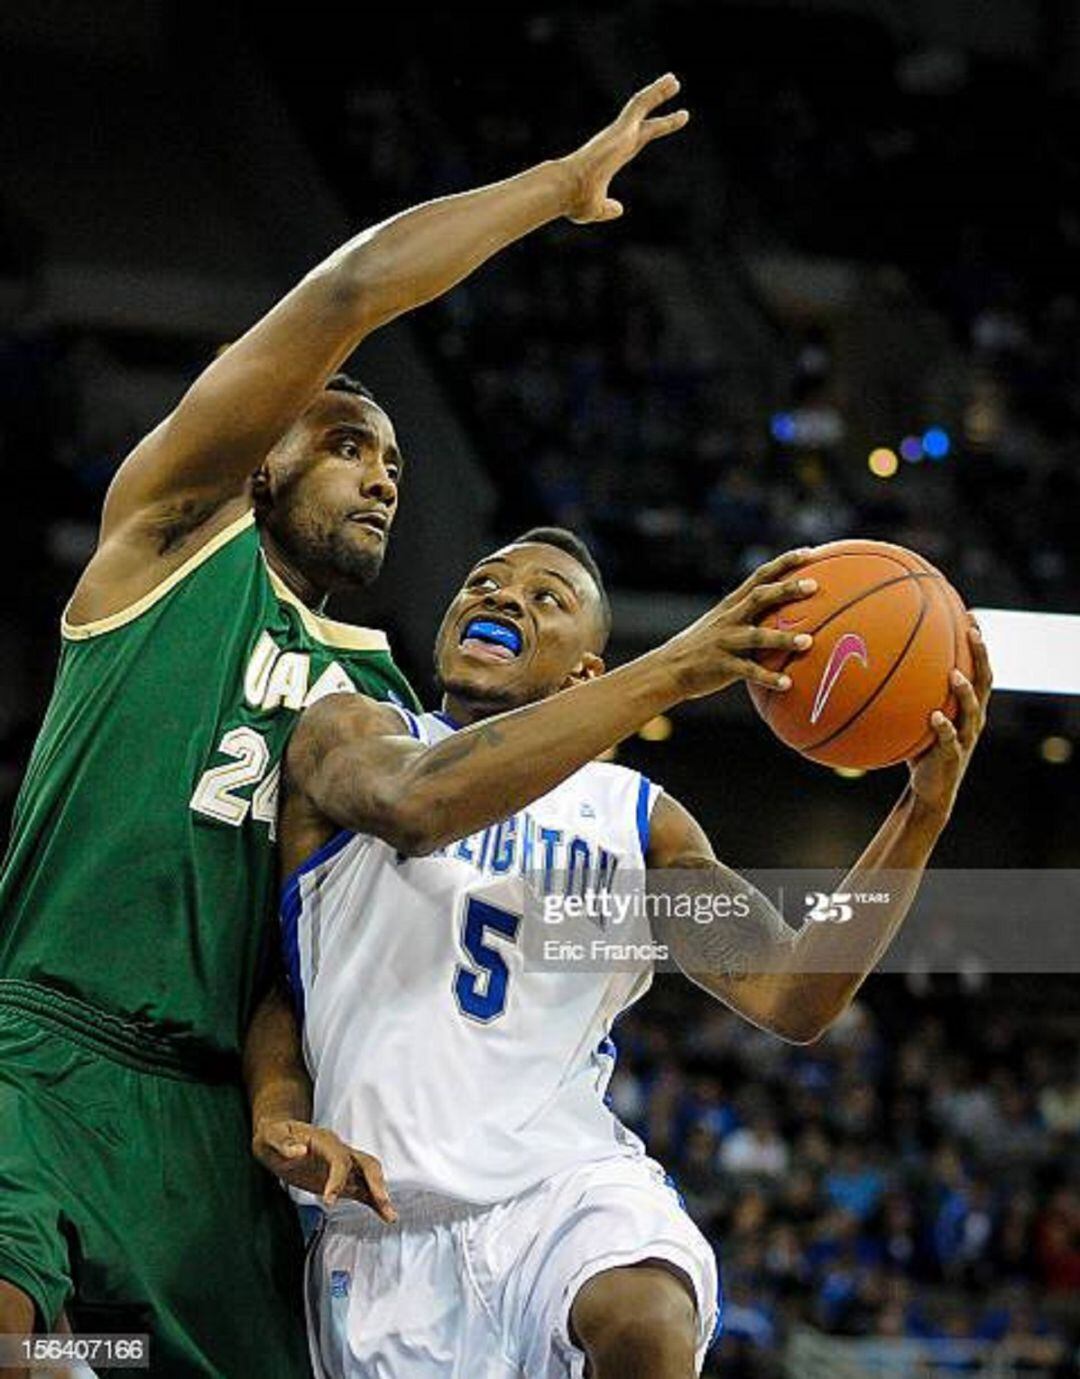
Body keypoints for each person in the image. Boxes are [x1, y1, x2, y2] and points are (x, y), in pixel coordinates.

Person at [0, 78, 690, 1379]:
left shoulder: (375, 694)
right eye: (347, 443)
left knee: (126, 1354)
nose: (383, 470)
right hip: (41, 1042)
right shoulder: (165, 546)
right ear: (262, 458)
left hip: (225, 1126)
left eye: (396, 460)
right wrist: (553, 186)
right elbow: (348, 293)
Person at [248, 528, 991, 1379]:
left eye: (546, 597)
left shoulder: (637, 819)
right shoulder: (350, 730)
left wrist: (920, 813)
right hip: (384, 1230)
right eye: (485, 580)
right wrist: (676, 669)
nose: (502, 596)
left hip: (561, 1190)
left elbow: (793, 992)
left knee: (645, 1312)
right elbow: (412, 810)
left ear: (585, 675)